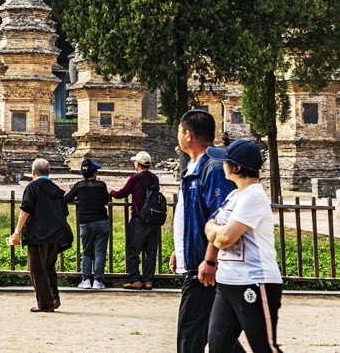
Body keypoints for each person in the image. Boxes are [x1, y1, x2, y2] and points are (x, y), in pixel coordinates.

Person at [203, 140, 283, 353]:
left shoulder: (253, 196)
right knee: (218, 346)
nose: (222, 165)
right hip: (227, 280)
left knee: (264, 347)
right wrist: (213, 230)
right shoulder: (234, 196)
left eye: (226, 161)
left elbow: (223, 238)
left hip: (255, 280)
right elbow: (214, 229)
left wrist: (212, 229)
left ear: (236, 168)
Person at [172, 110, 241, 353]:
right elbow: (191, 215)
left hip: (205, 269)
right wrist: (180, 249)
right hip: (198, 261)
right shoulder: (193, 168)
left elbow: (222, 217)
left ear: (188, 135)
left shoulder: (212, 169)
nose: (178, 137)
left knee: (190, 337)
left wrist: (209, 260)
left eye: (179, 132)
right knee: (221, 336)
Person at [8, 157, 72, 313]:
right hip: (56, 235)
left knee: (37, 268)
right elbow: (64, 212)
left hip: (38, 234)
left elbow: (26, 210)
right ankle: (54, 297)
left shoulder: (32, 188)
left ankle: (45, 303)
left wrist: (17, 231)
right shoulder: (57, 190)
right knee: (49, 267)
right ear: (49, 172)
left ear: (33, 172)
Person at [110, 150, 161, 290]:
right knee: (151, 252)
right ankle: (148, 280)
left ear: (137, 164)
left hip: (139, 219)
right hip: (153, 218)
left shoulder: (135, 178)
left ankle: (135, 280)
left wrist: (111, 192)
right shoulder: (155, 178)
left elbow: (122, 194)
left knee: (133, 250)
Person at [65, 158, 110, 290]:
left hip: (85, 221)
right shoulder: (101, 185)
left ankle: (86, 280)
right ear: (94, 173)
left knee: (86, 252)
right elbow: (105, 200)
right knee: (100, 252)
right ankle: (98, 281)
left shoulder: (79, 185)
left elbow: (67, 198)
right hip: (101, 220)